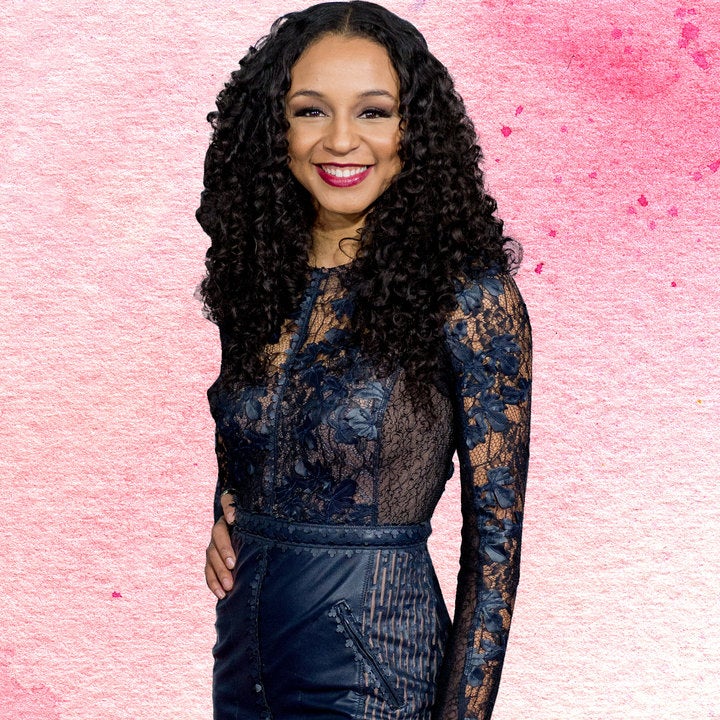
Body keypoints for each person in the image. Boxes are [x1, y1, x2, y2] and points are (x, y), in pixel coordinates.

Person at [197, 2, 532, 719]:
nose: (342, 140)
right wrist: (227, 511)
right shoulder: (256, 279)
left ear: (415, 128)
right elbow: (254, 430)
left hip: (376, 673)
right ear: (274, 128)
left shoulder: (469, 298)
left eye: (374, 112)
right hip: (245, 662)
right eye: (311, 111)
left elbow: (495, 545)